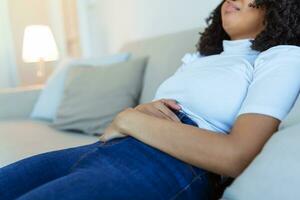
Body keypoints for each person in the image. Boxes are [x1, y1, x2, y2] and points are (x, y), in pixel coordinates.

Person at [1, 0, 300, 199]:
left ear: (279, 8)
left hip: (167, 164)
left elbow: (239, 156)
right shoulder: (201, 59)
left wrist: (129, 118)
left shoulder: (282, 57)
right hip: (105, 148)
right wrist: (136, 117)